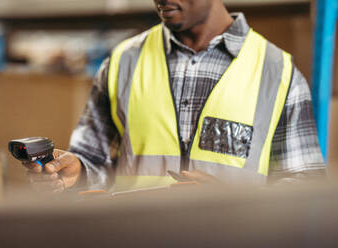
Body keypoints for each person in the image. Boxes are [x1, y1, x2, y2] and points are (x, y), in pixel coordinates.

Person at [24, 0, 326, 193]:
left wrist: (234, 203)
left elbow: (305, 189)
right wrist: (78, 172)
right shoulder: (122, 62)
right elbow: (94, 160)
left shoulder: (277, 72)